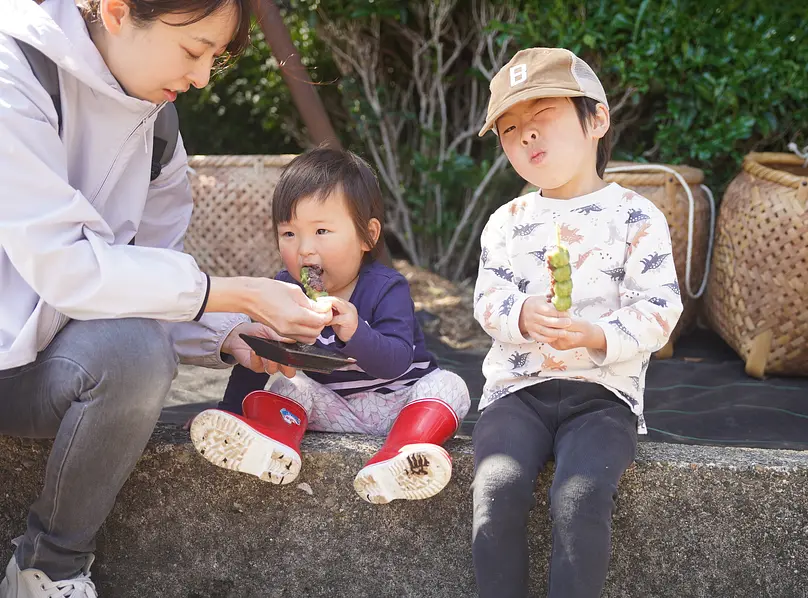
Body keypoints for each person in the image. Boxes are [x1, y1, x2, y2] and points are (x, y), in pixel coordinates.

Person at [0, 1, 334, 596]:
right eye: (193, 50)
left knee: (135, 353)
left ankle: (46, 571)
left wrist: (231, 334)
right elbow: (63, 265)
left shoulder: (158, 128)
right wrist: (240, 294)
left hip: (38, 373)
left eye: (214, 58)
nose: (203, 78)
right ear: (118, 11)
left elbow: (150, 284)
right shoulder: (13, 67)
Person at [470, 47, 684, 597]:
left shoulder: (636, 215)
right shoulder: (508, 221)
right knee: (496, 488)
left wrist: (598, 334)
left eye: (542, 120)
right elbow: (487, 300)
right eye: (511, 129)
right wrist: (520, 314)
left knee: (580, 496)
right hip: (517, 392)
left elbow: (661, 306)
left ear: (597, 120)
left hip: (602, 397)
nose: (527, 138)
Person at [189, 147, 471, 504]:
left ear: (368, 236)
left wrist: (356, 332)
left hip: (402, 405)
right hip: (333, 407)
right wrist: (228, 411)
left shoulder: (387, 287)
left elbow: (397, 360)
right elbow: (260, 355)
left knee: (450, 384)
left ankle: (403, 453)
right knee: (288, 384)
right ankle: (274, 442)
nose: (305, 249)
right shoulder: (283, 292)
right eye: (289, 234)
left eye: (321, 230)